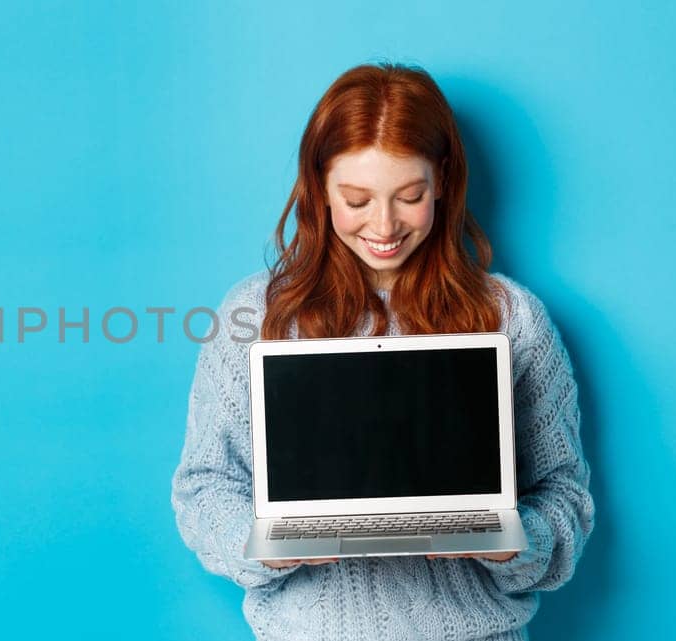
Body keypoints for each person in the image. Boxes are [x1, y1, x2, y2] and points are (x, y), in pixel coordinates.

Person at [171, 62, 594, 640]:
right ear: (319, 186)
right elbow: (203, 487)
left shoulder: (511, 316)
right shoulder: (255, 316)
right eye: (357, 198)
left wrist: (509, 542)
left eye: (410, 195)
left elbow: (565, 493)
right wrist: (268, 545)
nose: (384, 224)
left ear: (443, 179)